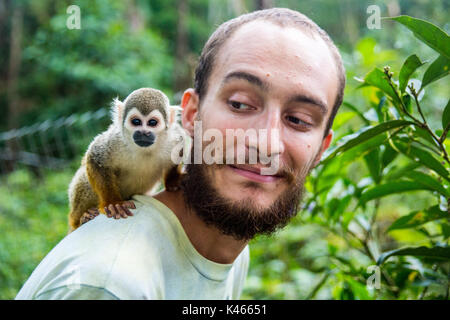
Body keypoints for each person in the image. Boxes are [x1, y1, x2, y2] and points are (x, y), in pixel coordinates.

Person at [16, 7, 345, 300]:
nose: (266, 144)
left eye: (299, 120)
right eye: (240, 104)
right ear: (189, 115)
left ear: (320, 150)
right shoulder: (108, 283)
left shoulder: (228, 246)